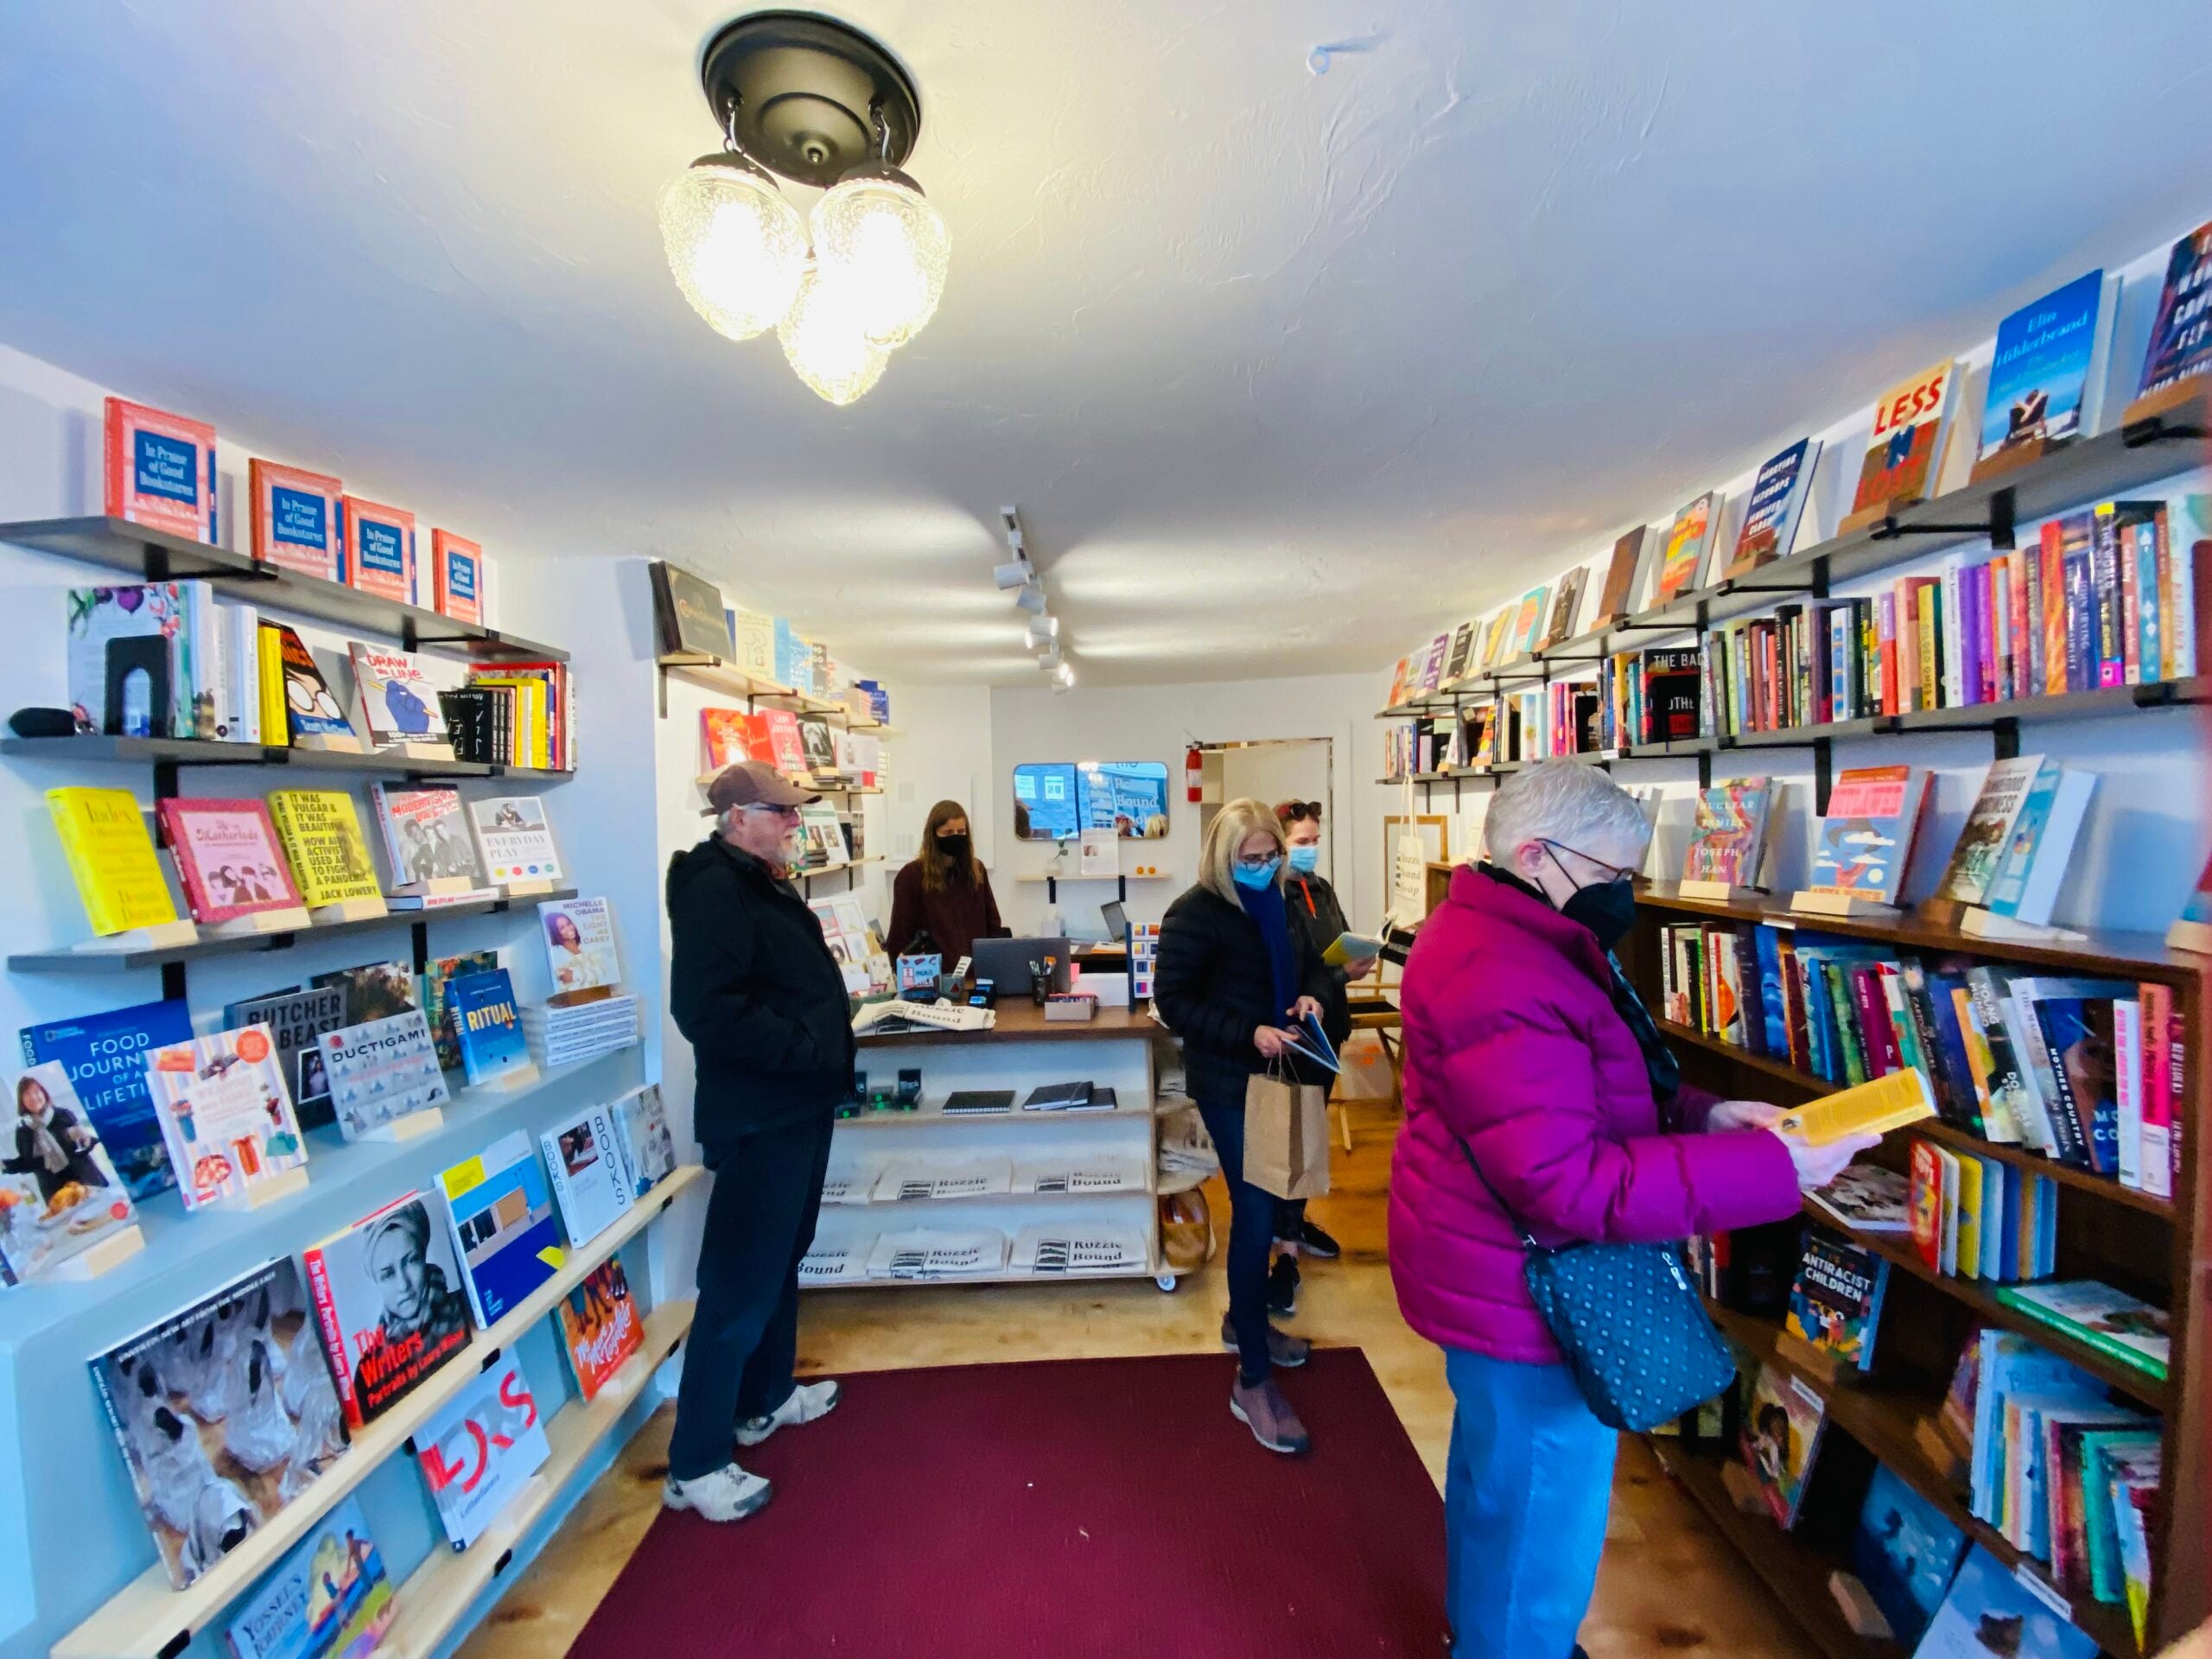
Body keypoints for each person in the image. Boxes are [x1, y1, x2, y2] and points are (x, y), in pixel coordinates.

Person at [1388, 760, 1876, 1659]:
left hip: (1498, 1270)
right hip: (1528, 1284)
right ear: (1534, 855)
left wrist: (1710, 1116)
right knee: (1539, 1513)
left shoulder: (1516, 938)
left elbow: (1589, 1094)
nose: (1622, 895)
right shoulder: (1501, 971)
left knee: (1504, 1490)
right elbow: (1568, 1182)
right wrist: (1771, 1167)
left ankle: (1497, 1635)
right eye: (1610, 875)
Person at [663, 760, 857, 1522]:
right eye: (779, 812)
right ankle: (699, 1461)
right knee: (739, 1285)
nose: (792, 823)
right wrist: (803, 1046)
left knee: (781, 1261)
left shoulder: (760, 877)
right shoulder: (714, 887)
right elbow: (706, 1010)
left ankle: (766, 1399)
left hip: (797, 1107)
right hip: (760, 1115)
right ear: (737, 816)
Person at [1154, 797, 1334, 1455]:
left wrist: (1313, 991)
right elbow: (1173, 1003)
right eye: (1250, 859)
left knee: (1280, 1194)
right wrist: (1249, 1031)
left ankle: (1246, 1320)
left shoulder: (1284, 898)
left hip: (1284, 1073)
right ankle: (1251, 1379)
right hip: (1232, 1080)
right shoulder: (1194, 914)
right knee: (1255, 1212)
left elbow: (1311, 960)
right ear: (1222, 858)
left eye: (1271, 856)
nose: (1263, 867)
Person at [1265, 798, 1371, 1315]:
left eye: (1314, 840)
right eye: (1301, 841)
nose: (1310, 849)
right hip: (1293, 1031)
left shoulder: (1321, 889)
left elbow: (1337, 945)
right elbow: (1294, 969)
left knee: (1310, 1139)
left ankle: (1294, 1222)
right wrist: (1334, 976)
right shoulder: (1271, 896)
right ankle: (1282, 1242)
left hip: (1329, 1027)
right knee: (1289, 1142)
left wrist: (1355, 961)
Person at [883, 799, 1004, 964]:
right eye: (948, 832)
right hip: (933, 975)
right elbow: (900, 935)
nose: (955, 836)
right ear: (934, 835)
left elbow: (993, 925)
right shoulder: (911, 876)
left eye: (961, 831)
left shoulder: (977, 870)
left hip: (974, 972)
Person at [5, 1071, 111, 1198]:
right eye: (27, 1094)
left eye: (36, 1091)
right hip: (54, 1191)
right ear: (22, 1101)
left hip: (86, 1179)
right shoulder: (23, 1131)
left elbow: (83, 1145)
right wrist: (6, 1165)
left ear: (44, 1094)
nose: (33, 1097)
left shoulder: (63, 1115)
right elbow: (27, 1164)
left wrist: (86, 1141)